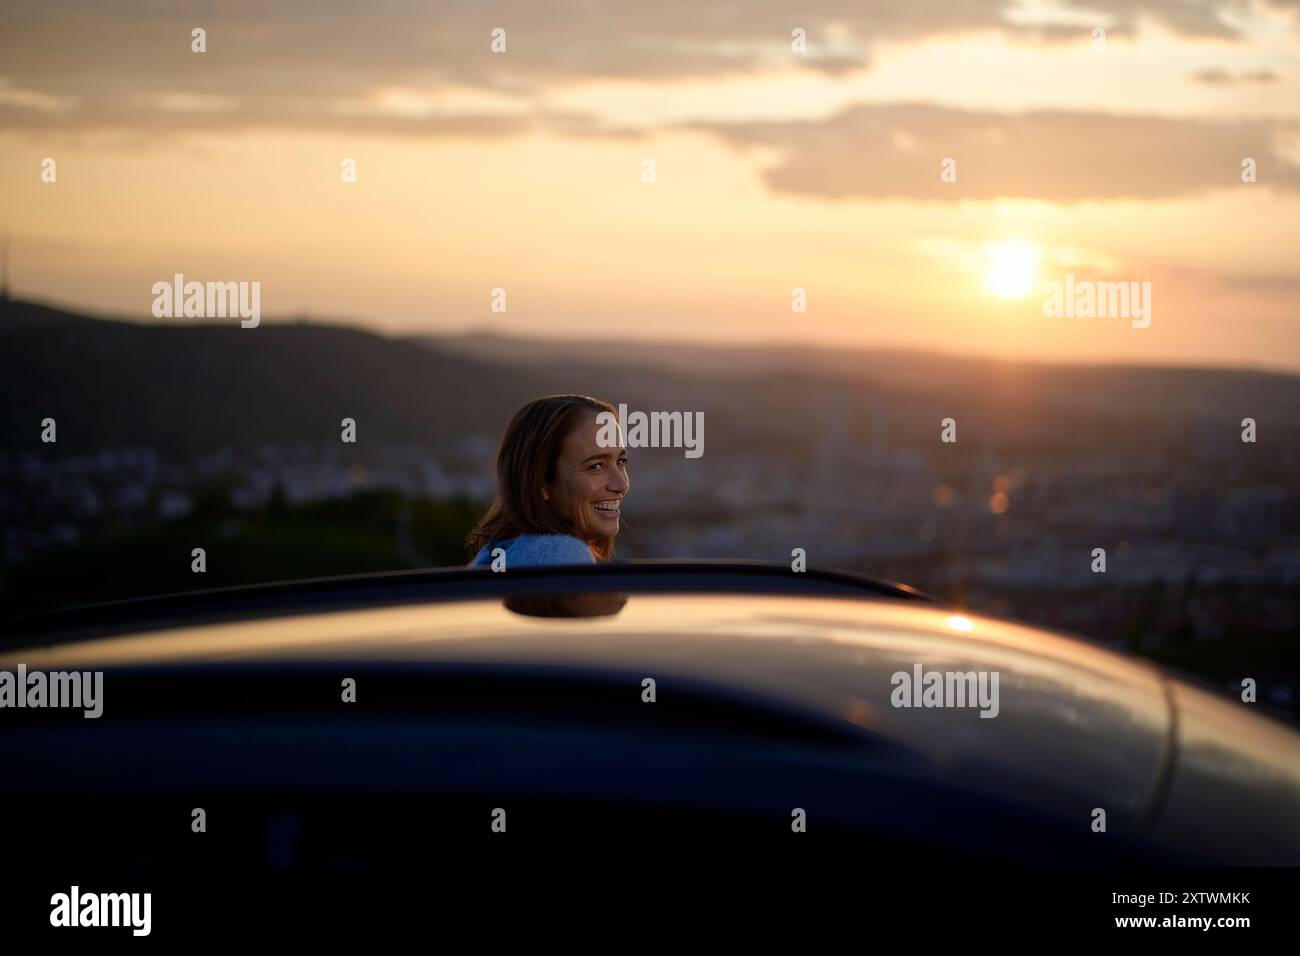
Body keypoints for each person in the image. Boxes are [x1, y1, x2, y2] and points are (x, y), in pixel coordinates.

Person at [467, 394, 629, 567]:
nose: (622, 484)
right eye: (596, 466)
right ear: (541, 481)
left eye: (620, 462)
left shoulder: (501, 552)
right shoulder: (562, 554)